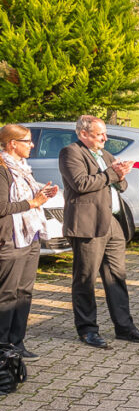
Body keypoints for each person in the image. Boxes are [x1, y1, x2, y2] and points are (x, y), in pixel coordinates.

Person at [59, 115, 139, 348]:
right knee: (85, 279)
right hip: (88, 224)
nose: (105, 138)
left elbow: (122, 185)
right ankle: (88, 329)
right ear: (84, 134)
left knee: (116, 278)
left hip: (113, 223)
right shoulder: (71, 153)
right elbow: (81, 184)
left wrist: (122, 175)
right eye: (100, 134)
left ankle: (124, 327)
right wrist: (112, 174)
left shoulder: (105, 155)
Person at [0, 125, 58, 361]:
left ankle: (17, 341)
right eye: (27, 141)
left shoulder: (23, 168)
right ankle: (3, 346)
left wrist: (43, 193)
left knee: (24, 292)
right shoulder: (3, 169)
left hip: (30, 235)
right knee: (7, 294)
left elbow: (28, 196)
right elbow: (2, 207)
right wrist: (32, 203)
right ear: (12, 143)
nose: (32, 145)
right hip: (11, 238)